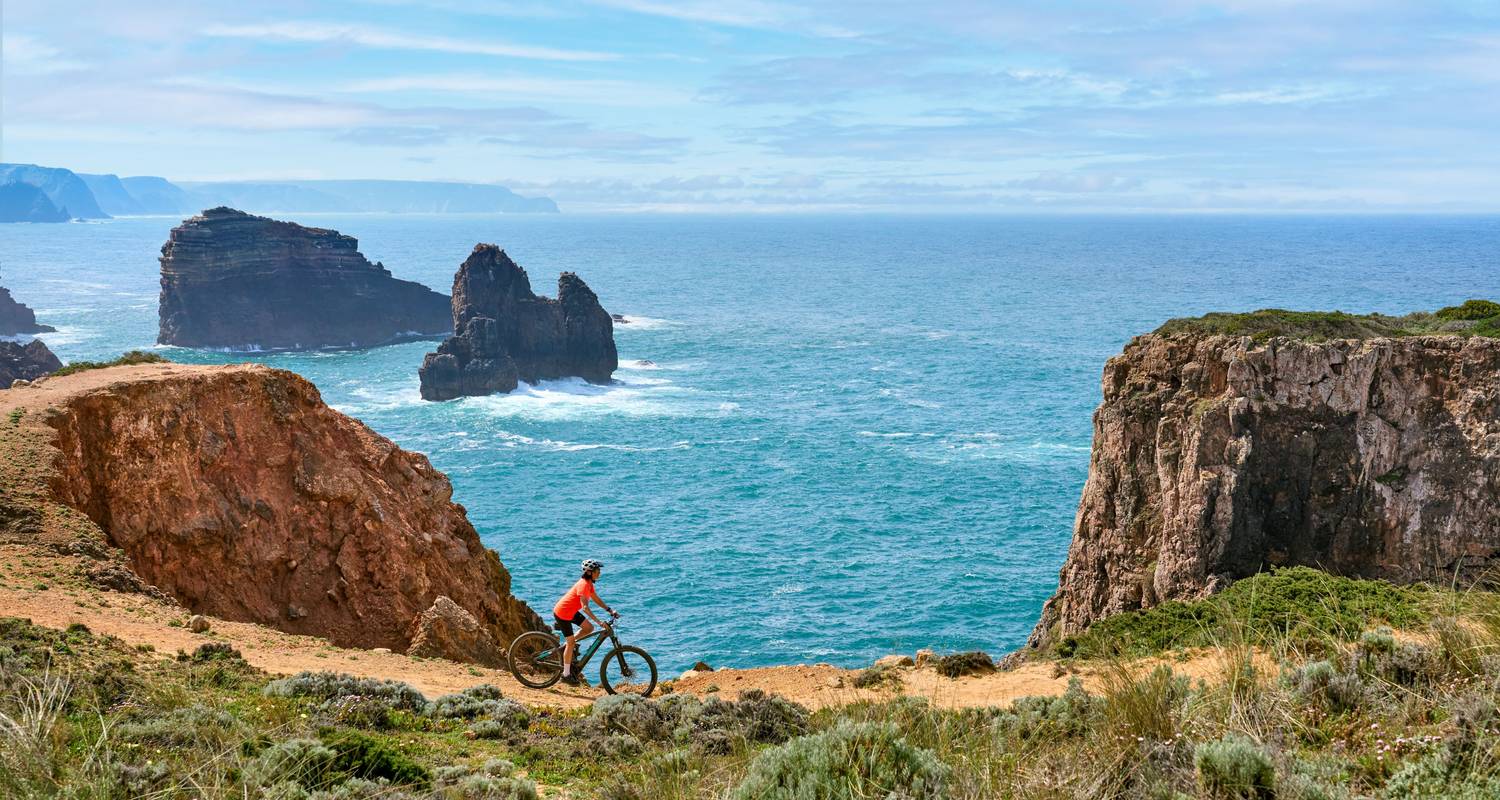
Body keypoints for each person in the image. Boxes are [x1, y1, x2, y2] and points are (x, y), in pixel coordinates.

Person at [553, 558, 617, 685]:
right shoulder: (583, 585)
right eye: (597, 570)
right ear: (589, 572)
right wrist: (599, 622)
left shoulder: (589, 584)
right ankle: (565, 675)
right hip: (563, 613)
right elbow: (585, 608)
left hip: (570, 611)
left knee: (589, 629)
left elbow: (595, 598)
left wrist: (609, 610)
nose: (599, 572)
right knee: (571, 643)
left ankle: (567, 647)